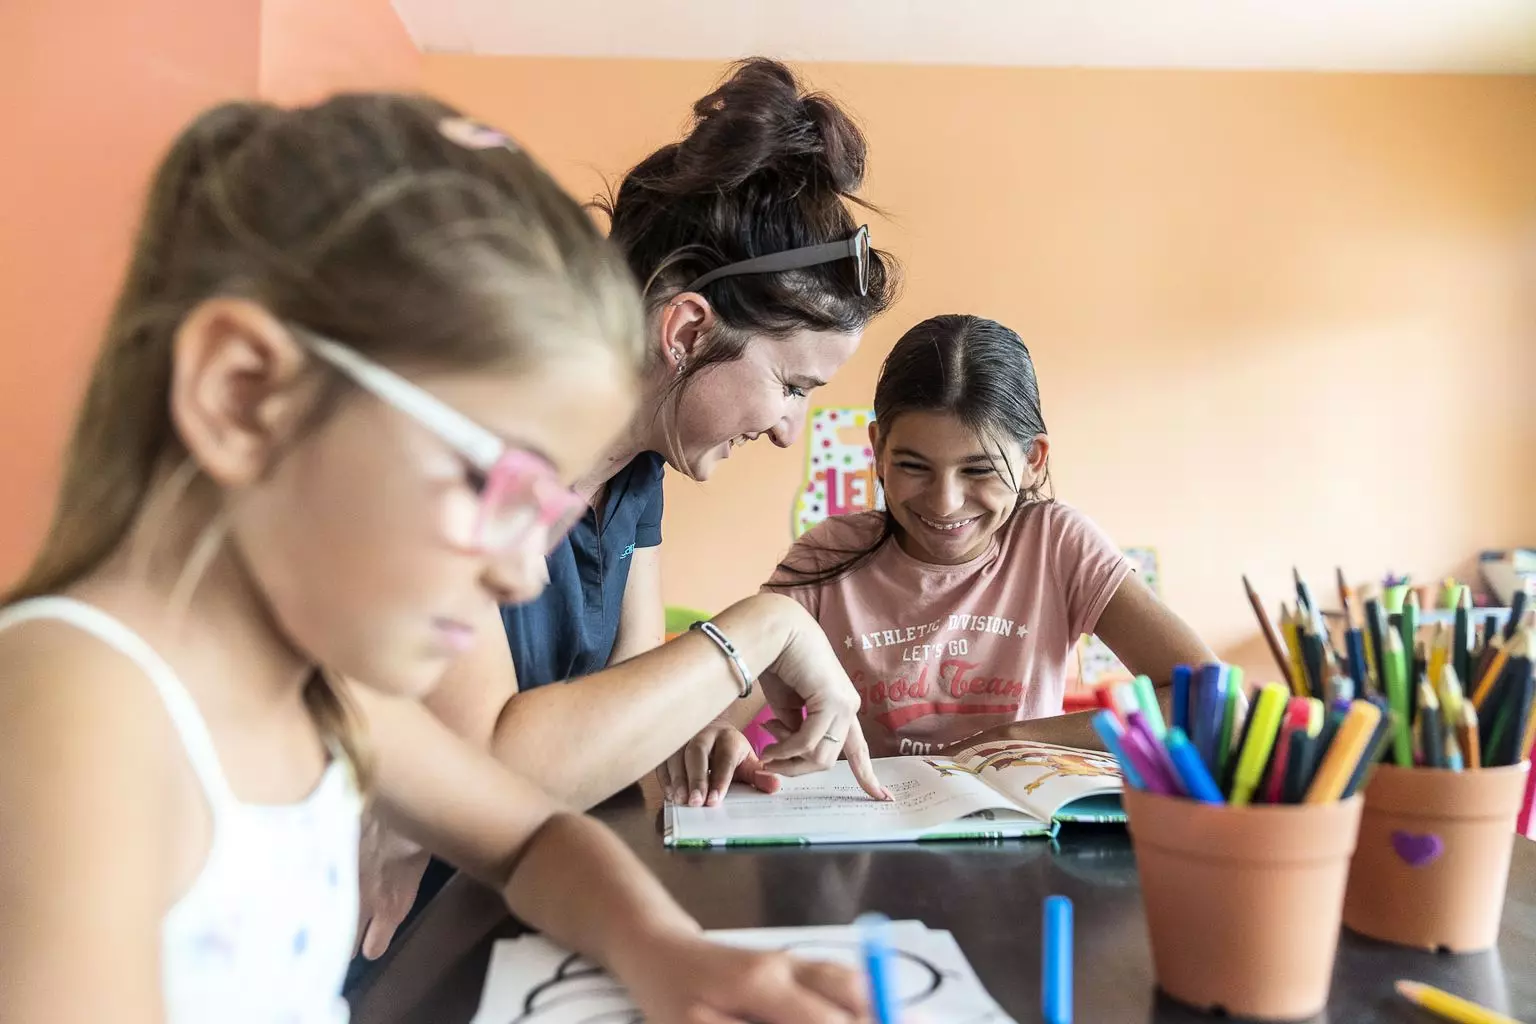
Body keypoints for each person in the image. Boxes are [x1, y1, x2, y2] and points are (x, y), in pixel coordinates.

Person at [0, 94, 876, 1024]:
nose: (526, 574)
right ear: (246, 395)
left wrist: (667, 951)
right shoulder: (80, 706)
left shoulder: (322, 694)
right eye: (501, 487)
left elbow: (534, 840)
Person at [356, 58, 899, 957]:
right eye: (793, 387)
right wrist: (765, 628)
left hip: (530, 909)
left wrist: (690, 733)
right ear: (686, 330)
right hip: (389, 934)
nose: (786, 432)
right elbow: (490, 772)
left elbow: (622, 703)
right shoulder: (476, 441)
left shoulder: (640, 473)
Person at [663, 314, 1217, 803]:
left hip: (1021, 832)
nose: (945, 502)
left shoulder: (1058, 544)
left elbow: (1202, 697)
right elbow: (713, 706)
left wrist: (1010, 741)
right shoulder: (827, 555)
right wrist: (713, 733)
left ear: (1033, 459)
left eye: (978, 470)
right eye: (913, 466)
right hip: (875, 831)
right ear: (878, 450)